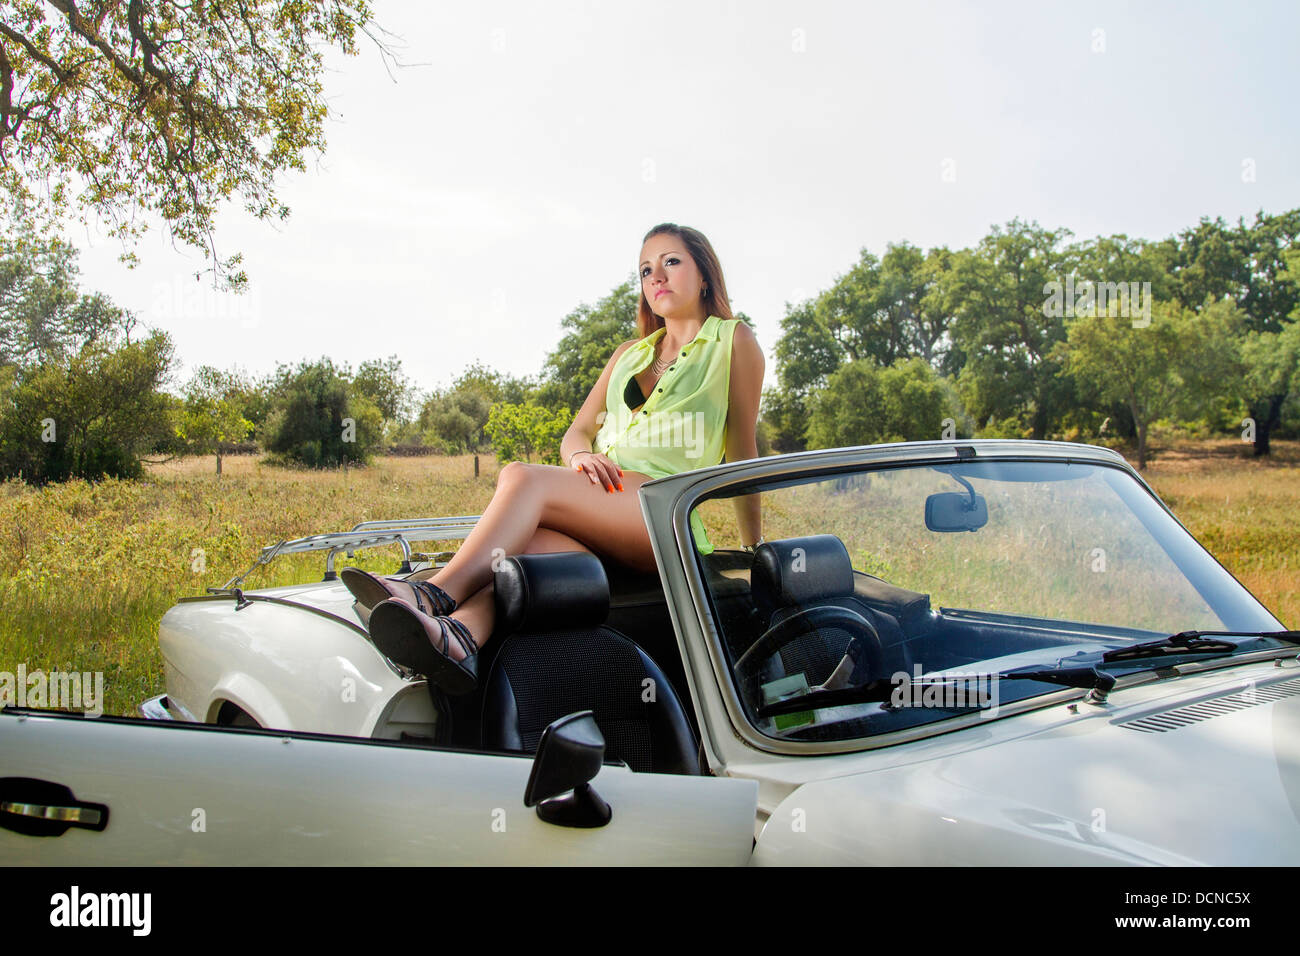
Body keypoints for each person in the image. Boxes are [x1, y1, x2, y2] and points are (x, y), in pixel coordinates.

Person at [343, 222, 765, 695]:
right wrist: (581, 455)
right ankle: (460, 634)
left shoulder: (734, 341)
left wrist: (755, 549)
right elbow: (577, 431)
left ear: (704, 274)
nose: (657, 277)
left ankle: (433, 592)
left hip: (664, 512)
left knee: (521, 477)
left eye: (671, 262)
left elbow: (743, 451)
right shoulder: (629, 354)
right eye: (646, 270)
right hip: (607, 504)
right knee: (528, 547)